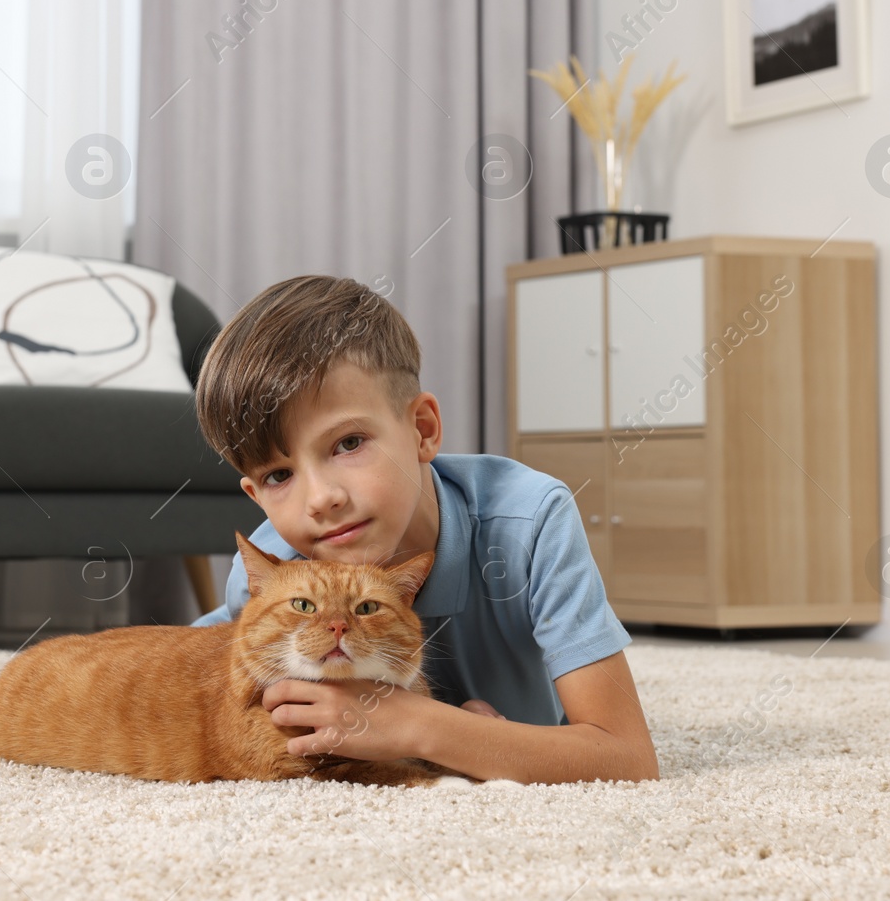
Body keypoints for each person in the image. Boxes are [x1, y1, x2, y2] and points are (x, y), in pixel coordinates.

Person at [189, 275, 660, 784]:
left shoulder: (532, 522)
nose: (321, 498)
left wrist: (423, 727)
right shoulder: (268, 567)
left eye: (348, 444)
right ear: (255, 497)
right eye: (279, 476)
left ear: (424, 430)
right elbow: (186, 682)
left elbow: (628, 758)